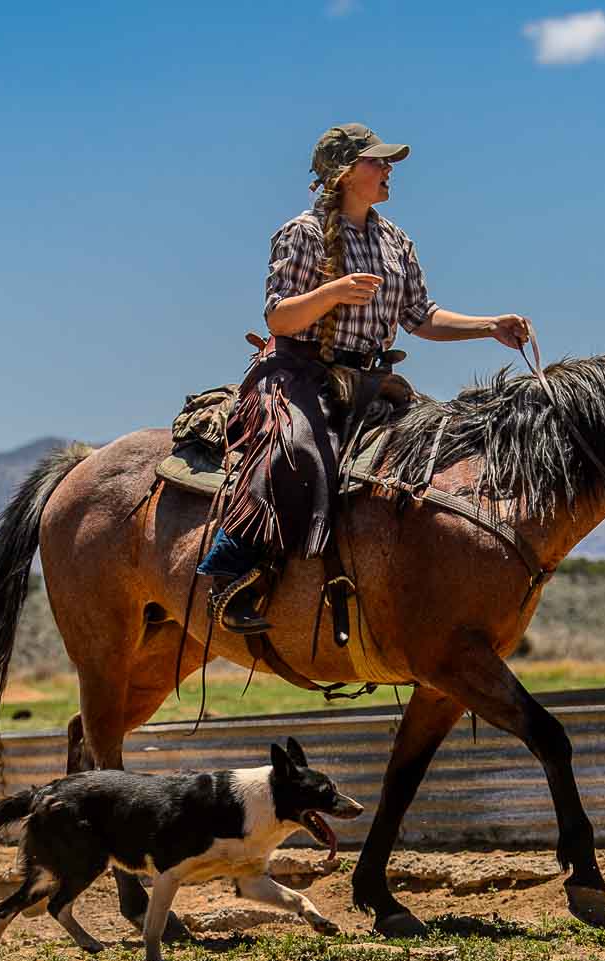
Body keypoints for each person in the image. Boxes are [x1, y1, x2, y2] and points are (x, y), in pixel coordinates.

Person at [199, 122, 535, 635]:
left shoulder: (395, 240)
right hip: (298, 372)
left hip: (371, 380)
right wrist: (331, 293)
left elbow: (421, 317)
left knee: (441, 446)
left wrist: (489, 326)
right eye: (377, 161)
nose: (388, 169)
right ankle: (233, 568)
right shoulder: (302, 233)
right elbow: (279, 318)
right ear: (343, 174)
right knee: (297, 450)